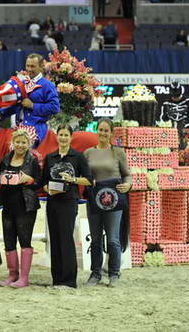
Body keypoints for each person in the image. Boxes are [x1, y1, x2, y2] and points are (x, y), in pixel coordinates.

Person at [84, 118, 132, 288]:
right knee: (95, 239)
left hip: (115, 201)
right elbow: (85, 176)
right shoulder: (88, 153)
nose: (103, 133)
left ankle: (114, 273)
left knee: (113, 240)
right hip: (94, 201)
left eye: (106, 130)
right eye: (100, 130)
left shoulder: (118, 152)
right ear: (97, 131)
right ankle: (95, 273)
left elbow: (127, 174)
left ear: (111, 133)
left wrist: (128, 184)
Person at [43, 125, 92, 289]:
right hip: (53, 202)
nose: (63, 138)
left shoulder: (78, 157)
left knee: (66, 239)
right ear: (57, 137)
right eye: (60, 135)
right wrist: (47, 189)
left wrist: (73, 180)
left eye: (66, 135)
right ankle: (57, 279)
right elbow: (43, 183)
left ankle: (69, 280)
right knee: (55, 240)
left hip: (69, 202)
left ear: (71, 138)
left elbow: (88, 180)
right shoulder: (50, 157)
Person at [0, 130, 42, 288]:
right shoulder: (6, 159)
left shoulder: (32, 160)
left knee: (24, 240)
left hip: (26, 206)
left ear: (28, 144)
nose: (20, 145)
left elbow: (39, 183)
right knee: (9, 240)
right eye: (18, 142)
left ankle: (24, 277)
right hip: (8, 205)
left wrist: (29, 180)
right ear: (13, 143)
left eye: (23, 142)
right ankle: (12, 275)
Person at [0, 53, 60, 147]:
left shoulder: (48, 85)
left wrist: (33, 105)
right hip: (19, 126)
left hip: (36, 129)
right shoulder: (22, 83)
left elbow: (55, 107)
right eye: (27, 66)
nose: (29, 69)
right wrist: (0, 113)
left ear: (41, 67)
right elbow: (15, 105)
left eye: (32, 66)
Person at [160, 81, 189, 149]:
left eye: (177, 96)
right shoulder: (166, 103)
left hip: (184, 126)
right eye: (174, 96)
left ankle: (183, 149)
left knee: (182, 135)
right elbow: (163, 118)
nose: (175, 98)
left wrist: (185, 126)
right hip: (171, 129)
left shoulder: (187, 101)